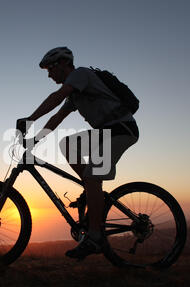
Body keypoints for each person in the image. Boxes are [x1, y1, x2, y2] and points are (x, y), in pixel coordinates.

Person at [21, 46, 139, 260]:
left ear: (64, 64)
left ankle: (95, 237)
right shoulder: (75, 94)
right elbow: (57, 118)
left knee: (93, 175)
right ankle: (90, 188)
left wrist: (29, 119)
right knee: (68, 144)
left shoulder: (81, 74)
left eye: (50, 68)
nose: (48, 74)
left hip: (122, 129)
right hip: (107, 132)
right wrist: (35, 141)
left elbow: (56, 98)